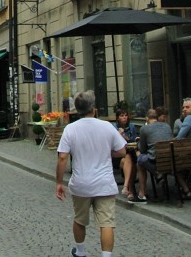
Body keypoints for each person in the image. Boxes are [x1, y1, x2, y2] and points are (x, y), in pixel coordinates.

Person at [55, 91, 127, 257]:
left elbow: (62, 158)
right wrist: (106, 152)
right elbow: (122, 151)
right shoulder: (107, 126)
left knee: (80, 219)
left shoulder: (70, 129)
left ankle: (80, 252)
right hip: (104, 183)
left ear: (77, 110)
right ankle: (106, 256)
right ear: (93, 109)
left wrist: (59, 182)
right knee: (107, 223)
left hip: (81, 183)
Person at [135, 107, 173, 202]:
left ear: (147, 118)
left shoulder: (145, 128)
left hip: (155, 161)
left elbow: (142, 149)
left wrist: (138, 144)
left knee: (139, 160)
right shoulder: (167, 126)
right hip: (169, 160)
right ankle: (157, 174)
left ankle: (142, 193)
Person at [112, 108, 139, 202]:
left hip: (130, 152)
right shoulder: (114, 127)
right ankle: (131, 189)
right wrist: (119, 134)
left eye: (126, 115)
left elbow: (134, 140)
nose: (124, 117)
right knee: (128, 161)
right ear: (117, 118)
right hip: (118, 156)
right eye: (122, 116)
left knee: (130, 160)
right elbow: (112, 142)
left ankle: (128, 188)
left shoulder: (131, 126)